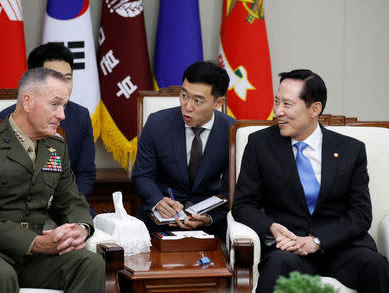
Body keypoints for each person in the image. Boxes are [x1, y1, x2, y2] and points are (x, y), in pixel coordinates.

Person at [0, 68, 105, 293]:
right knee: (1, 275)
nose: (62, 115)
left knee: (91, 264)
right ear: (28, 101)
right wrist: (37, 243)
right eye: (55, 104)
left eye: (64, 106)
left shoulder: (57, 147)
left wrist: (79, 228)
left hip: (34, 258)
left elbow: (72, 201)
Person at [232, 69, 389, 292]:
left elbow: (360, 215)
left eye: (287, 104)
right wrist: (272, 228)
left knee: (376, 266)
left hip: (341, 247)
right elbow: (243, 205)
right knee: (276, 265)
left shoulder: (350, 150)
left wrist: (318, 241)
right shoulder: (260, 145)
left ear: (315, 108)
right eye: (277, 102)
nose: (278, 111)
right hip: (289, 248)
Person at [132, 61, 235, 241]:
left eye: (197, 101)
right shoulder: (157, 124)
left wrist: (209, 218)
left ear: (218, 103)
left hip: (210, 227)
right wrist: (157, 202)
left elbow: (232, 191)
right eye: (184, 95)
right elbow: (142, 175)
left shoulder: (232, 132)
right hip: (158, 224)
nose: (187, 107)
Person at [0, 43, 97, 217]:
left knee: (110, 239)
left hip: (67, 205)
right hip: (21, 211)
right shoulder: (5, 120)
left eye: (67, 78)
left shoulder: (81, 116)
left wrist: (68, 203)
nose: (63, 86)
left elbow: (85, 172)